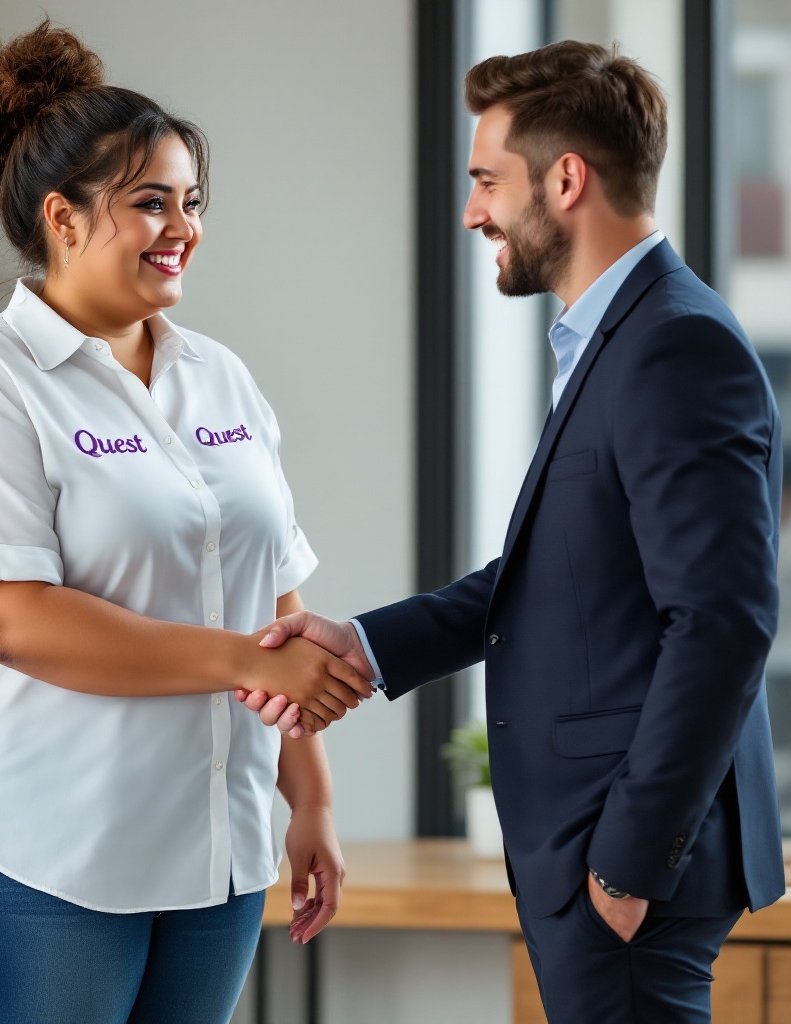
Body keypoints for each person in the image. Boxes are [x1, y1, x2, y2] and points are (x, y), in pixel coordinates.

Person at [240, 40, 786, 1023]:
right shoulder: (615, 339)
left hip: (623, 863)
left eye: (486, 179)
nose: (472, 211)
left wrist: (626, 864)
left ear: (565, 179)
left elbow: (724, 620)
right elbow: (561, 577)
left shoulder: (673, 345)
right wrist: (365, 644)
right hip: (599, 858)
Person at [0, 21, 370, 1024]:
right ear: (63, 219)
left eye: (192, 202)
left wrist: (311, 800)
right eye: (150, 203)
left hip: (210, 856)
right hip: (30, 853)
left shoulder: (219, 376)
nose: (181, 226)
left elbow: (273, 600)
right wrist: (245, 660)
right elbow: (10, 619)